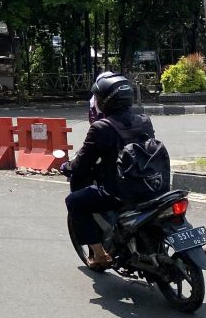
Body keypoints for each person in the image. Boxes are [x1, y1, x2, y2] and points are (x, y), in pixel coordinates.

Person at [63, 73, 157, 271]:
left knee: (74, 201)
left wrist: (67, 167)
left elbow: (83, 162)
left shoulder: (101, 127)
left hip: (119, 192)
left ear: (105, 100)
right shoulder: (144, 120)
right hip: (151, 186)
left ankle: (98, 254)